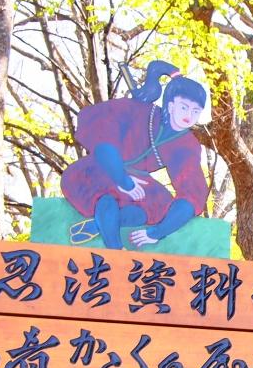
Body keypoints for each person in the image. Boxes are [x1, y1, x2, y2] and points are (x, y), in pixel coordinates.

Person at [61, 60, 211, 249]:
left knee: (156, 209)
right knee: (107, 198)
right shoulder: (138, 110)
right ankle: (115, 248)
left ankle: (100, 224)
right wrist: (123, 180)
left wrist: (159, 231)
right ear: (171, 104)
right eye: (184, 107)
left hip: (138, 179)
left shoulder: (185, 144)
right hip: (100, 168)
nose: (189, 115)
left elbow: (192, 190)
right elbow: (104, 142)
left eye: (196, 111)